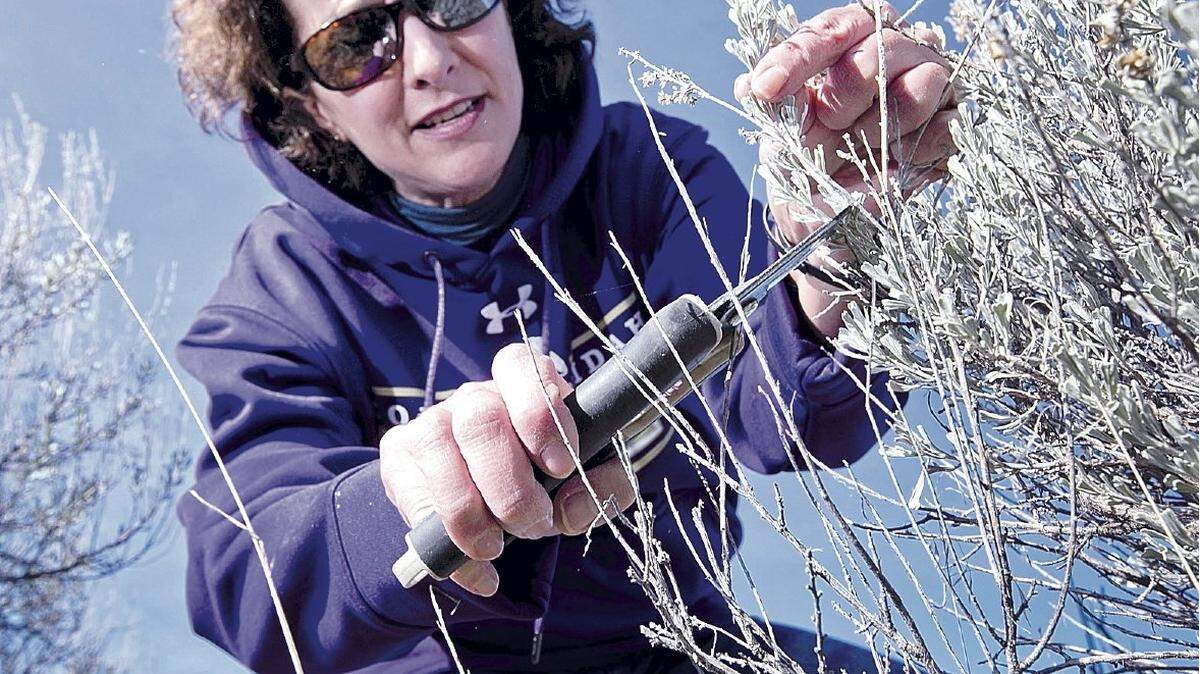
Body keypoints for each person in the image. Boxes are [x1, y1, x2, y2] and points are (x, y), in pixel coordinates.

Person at [169, 0, 955, 672]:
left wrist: (836, 249)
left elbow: (790, 417)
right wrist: (400, 499)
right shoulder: (282, 288)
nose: (431, 58)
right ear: (308, 104)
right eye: (354, 42)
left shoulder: (649, 170)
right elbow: (248, 575)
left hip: (674, 645)